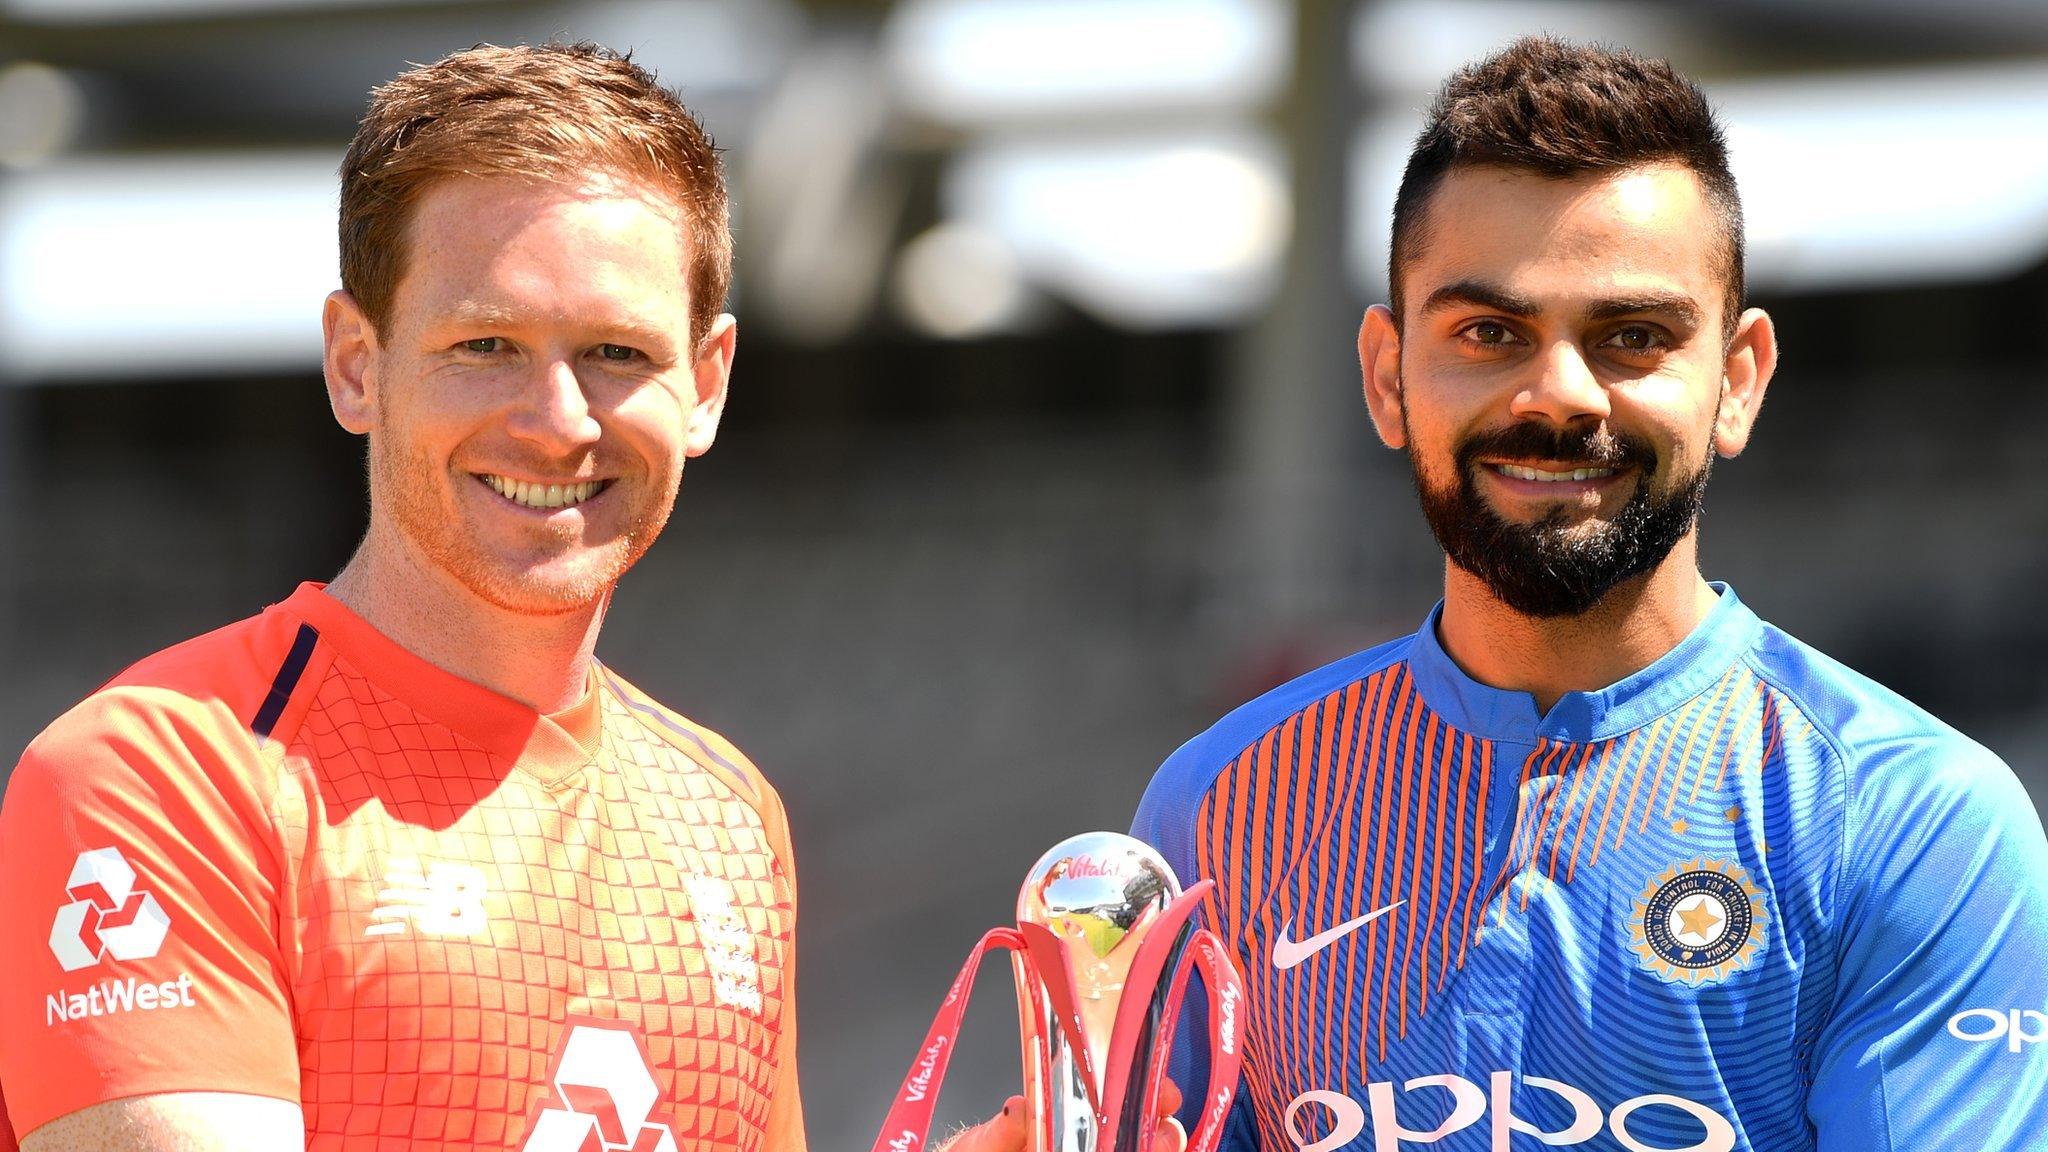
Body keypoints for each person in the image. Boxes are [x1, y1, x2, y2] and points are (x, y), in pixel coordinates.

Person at [1120, 35, 2048, 1152]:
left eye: (1630, 337)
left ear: (1736, 381)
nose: (1557, 393)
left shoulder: (1909, 820)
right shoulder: (1218, 807)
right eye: (1486, 332)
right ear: (1383, 377)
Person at [0, 42, 804, 1152]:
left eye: (617, 352)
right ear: (355, 365)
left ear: (704, 385)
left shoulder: (729, 818)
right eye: (487, 344)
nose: (559, 419)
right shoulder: (160, 777)